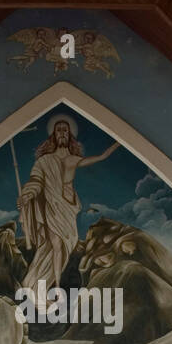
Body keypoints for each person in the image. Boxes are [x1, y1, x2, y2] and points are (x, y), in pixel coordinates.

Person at [18, 115, 118, 297]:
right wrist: (27, 195)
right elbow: (36, 181)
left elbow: (101, 157)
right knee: (56, 244)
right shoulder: (44, 161)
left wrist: (120, 142)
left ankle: (51, 282)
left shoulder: (73, 159)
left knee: (68, 243)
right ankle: (55, 284)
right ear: (53, 135)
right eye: (59, 130)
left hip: (68, 207)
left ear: (70, 134)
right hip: (51, 205)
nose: (62, 133)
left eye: (65, 130)